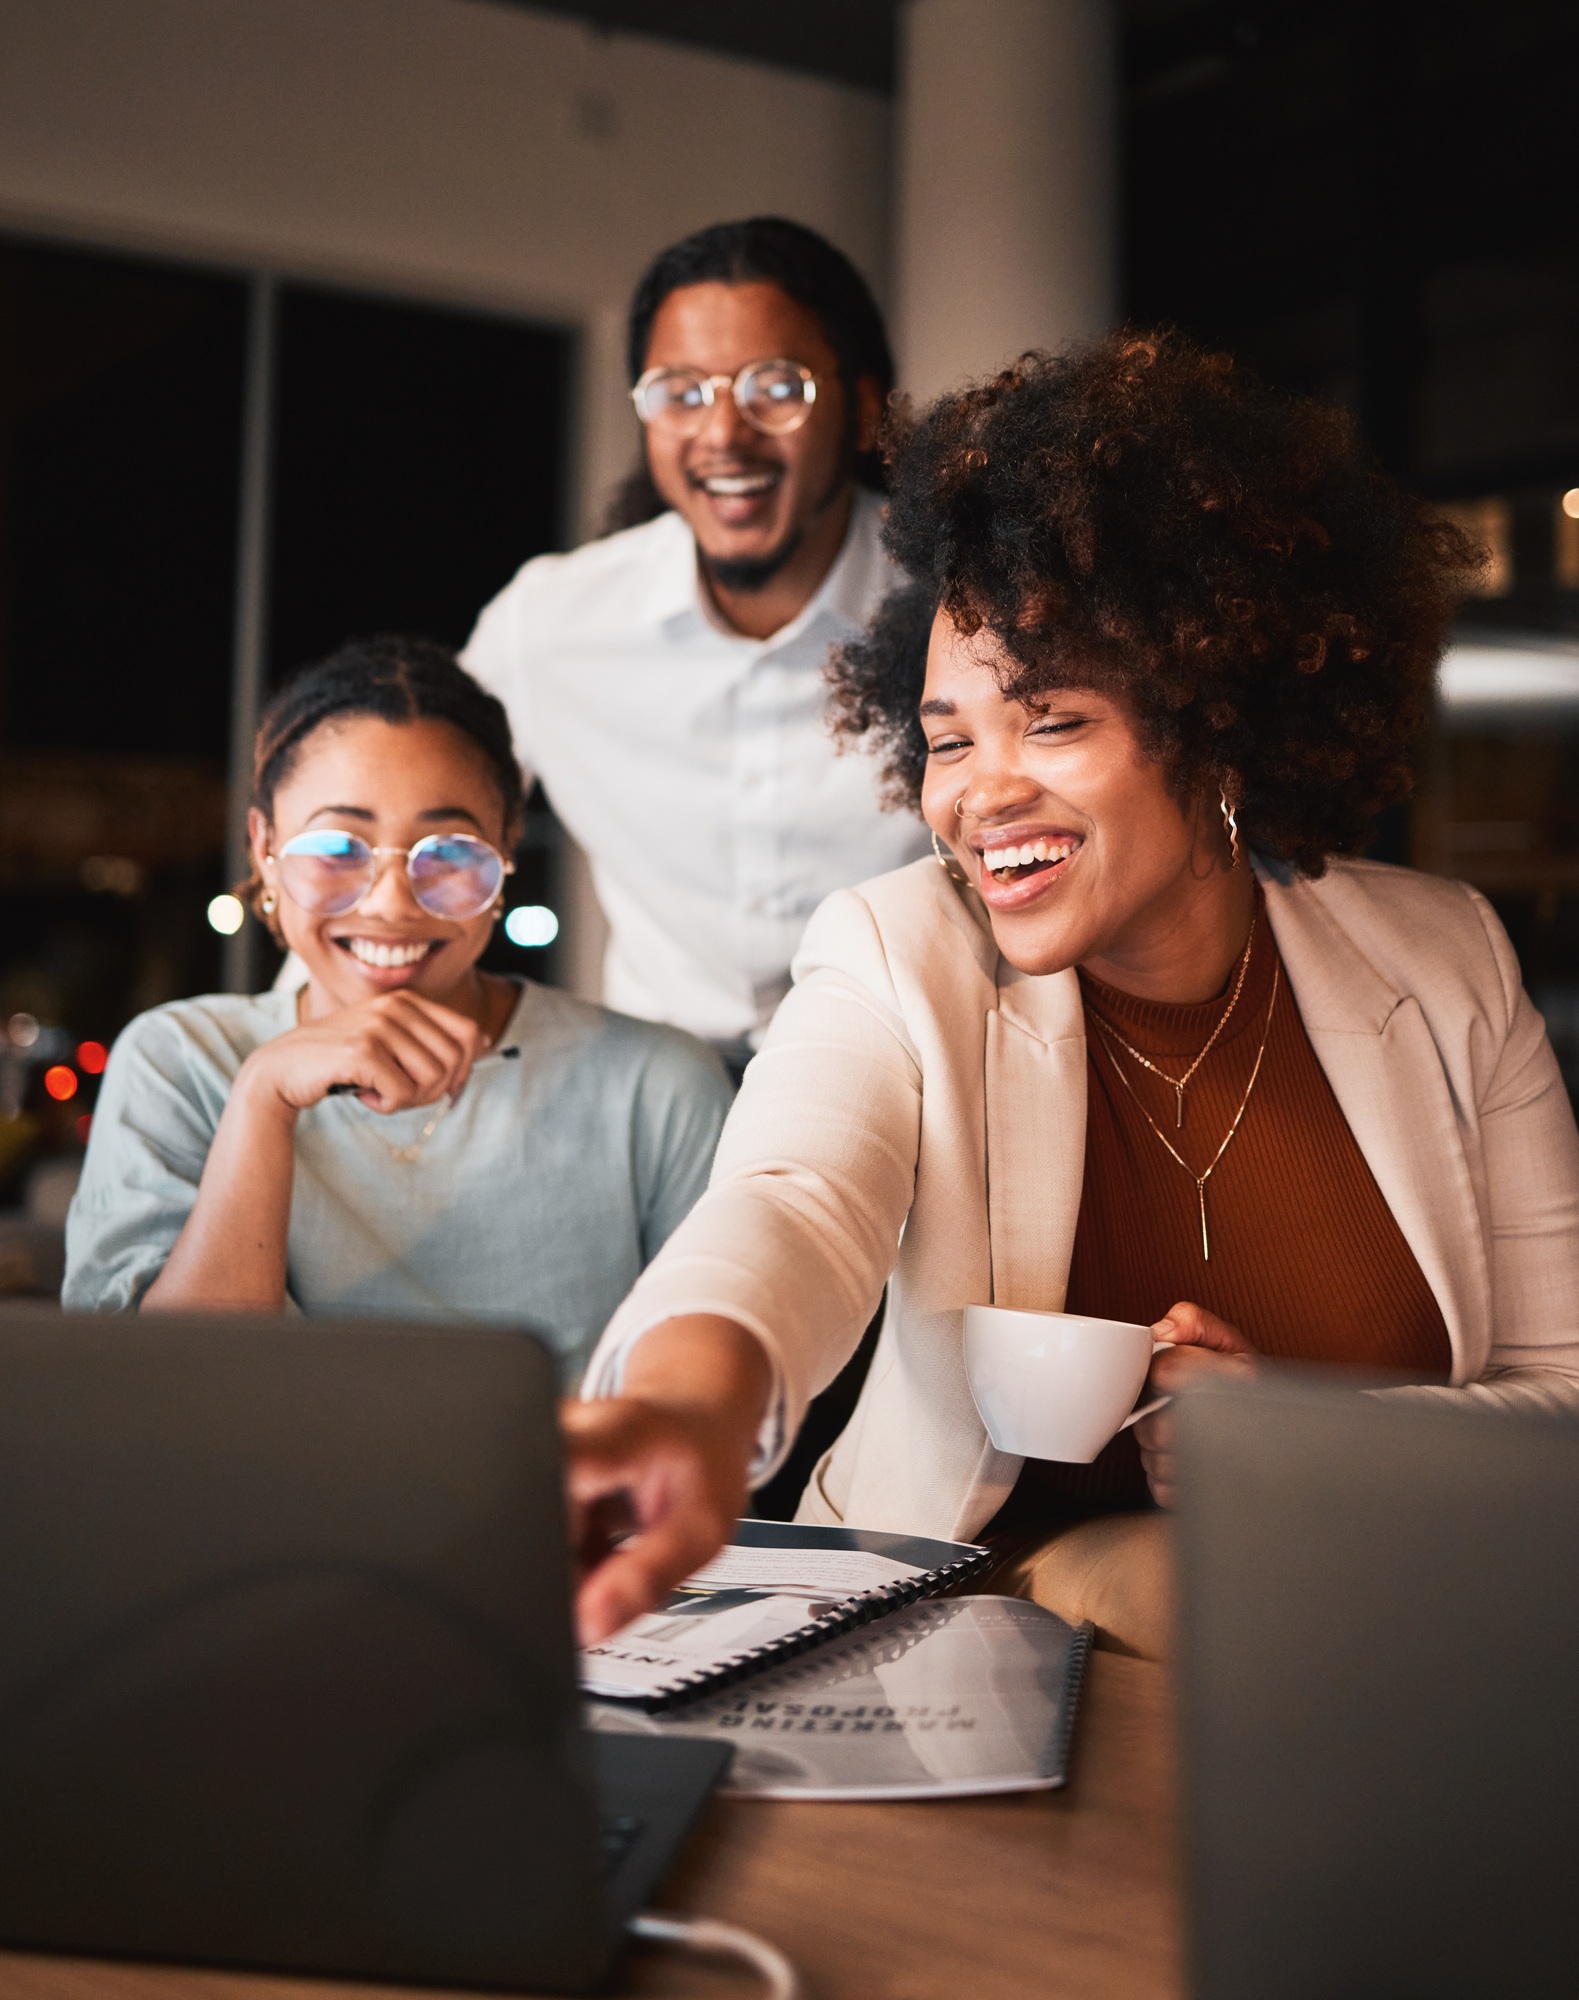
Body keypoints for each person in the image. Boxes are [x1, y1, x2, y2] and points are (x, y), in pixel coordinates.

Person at [562, 330, 1579, 1656]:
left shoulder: (1440, 961)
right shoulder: (892, 951)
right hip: (948, 1642)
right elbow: (791, 1203)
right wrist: (688, 1407)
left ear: (1207, 716)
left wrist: (1294, 1443)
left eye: (1050, 721)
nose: (979, 794)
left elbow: (1560, 1394)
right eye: (944, 742)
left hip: (1356, 1650)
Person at [64, 637, 732, 1382]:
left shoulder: (655, 1084)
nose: (390, 904)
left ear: (506, 847)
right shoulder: (180, 1060)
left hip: (549, 1500)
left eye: (447, 853)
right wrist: (264, 1096)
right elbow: (155, 1393)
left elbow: (703, 1394)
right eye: (336, 846)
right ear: (264, 851)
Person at [462, 216, 929, 1077]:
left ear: (863, 409)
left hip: (921, 1089)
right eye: (680, 391)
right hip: (654, 1104)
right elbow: (409, 807)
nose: (721, 434)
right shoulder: (551, 624)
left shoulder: (964, 608)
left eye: (773, 388)